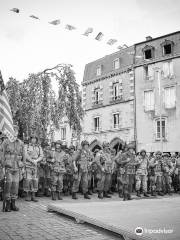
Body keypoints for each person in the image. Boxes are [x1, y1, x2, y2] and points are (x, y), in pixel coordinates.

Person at [2, 125, 25, 211]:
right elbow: (2, 155)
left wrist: (23, 167)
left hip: (17, 168)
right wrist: (3, 166)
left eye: (16, 131)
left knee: (15, 185)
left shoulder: (21, 143)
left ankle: (13, 204)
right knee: (8, 185)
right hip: (8, 167)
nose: (14, 132)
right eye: (13, 131)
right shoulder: (6, 142)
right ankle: (7, 204)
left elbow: (24, 156)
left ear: (17, 132)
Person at [23, 134, 43, 202]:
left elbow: (41, 156)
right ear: (30, 139)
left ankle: (33, 195)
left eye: (35, 139)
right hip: (28, 165)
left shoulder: (39, 147)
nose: (34, 140)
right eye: (32, 138)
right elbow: (25, 155)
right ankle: (27, 195)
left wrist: (36, 161)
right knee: (28, 180)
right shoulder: (26, 146)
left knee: (35, 181)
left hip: (35, 166)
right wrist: (32, 161)